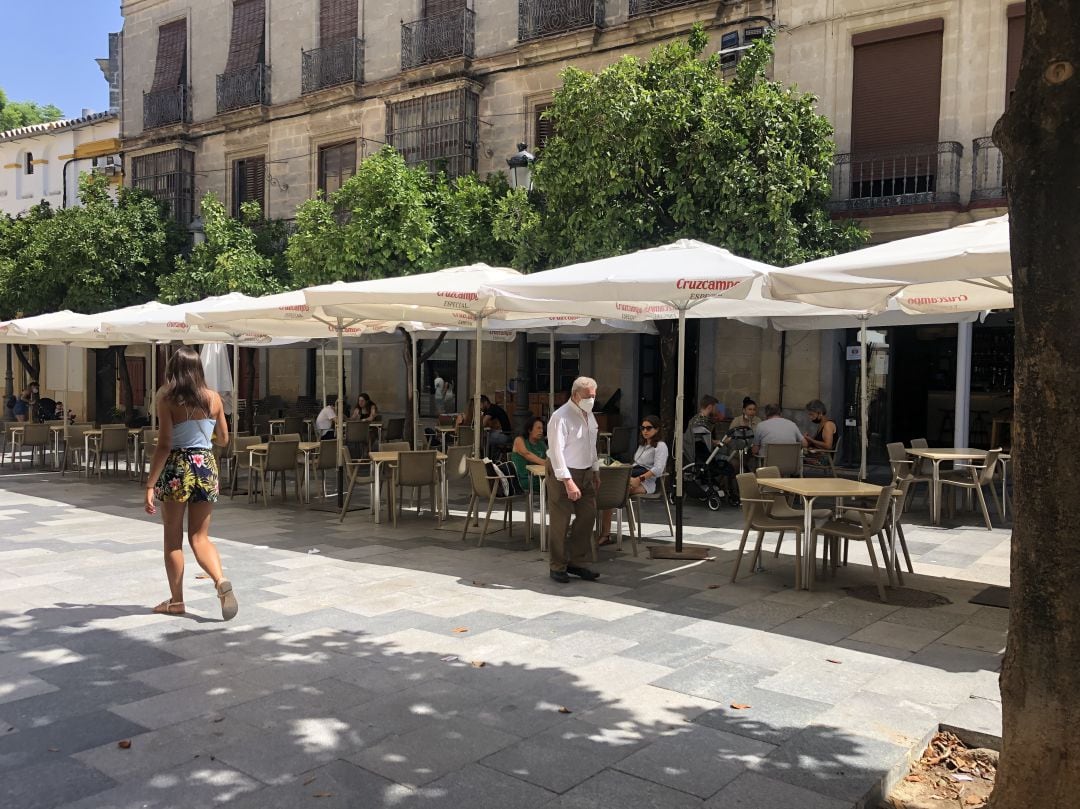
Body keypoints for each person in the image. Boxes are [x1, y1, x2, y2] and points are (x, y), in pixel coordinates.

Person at [144, 346, 238, 621]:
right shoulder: (214, 399)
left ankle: (177, 601)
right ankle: (220, 580)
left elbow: (164, 445)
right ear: (198, 369)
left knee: (173, 538)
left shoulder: (167, 399)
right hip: (206, 466)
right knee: (200, 536)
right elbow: (224, 439)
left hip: (177, 467)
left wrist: (150, 484)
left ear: (174, 369)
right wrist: (203, 439)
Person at [546, 376, 601, 584]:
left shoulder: (590, 415)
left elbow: (592, 444)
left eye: (594, 396)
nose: (592, 400)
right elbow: (556, 451)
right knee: (561, 521)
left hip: (586, 471)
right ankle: (557, 565)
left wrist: (595, 470)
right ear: (575, 395)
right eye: (588, 396)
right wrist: (567, 480)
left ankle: (576, 561)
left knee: (588, 516)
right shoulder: (561, 416)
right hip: (565, 472)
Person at [599, 415, 669, 546]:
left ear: (657, 429)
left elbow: (659, 469)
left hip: (646, 482)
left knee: (612, 493)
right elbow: (636, 463)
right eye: (643, 428)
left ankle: (605, 534)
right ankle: (603, 532)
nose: (645, 431)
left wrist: (639, 479)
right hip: (633, 476)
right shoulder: (642, 445)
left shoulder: (661, 446)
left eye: (649, 428)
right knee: (607, 490)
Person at [511, 416, 548, 493]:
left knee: (556, 482)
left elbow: (548, 457)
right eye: (538, 428)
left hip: (539, 477)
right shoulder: (519, 440)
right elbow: (527, 455)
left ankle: (547, 504)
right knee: (553, 484)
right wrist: (548, 464)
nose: (541, 431)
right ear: (529, 430)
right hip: (523, 479)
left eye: (542, 428)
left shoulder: (541, 444)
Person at [803, 399, 838, 467]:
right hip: (818, 455)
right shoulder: (821, 425)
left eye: (812, 415)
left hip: (824, 459)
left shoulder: (828, 425)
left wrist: (810, 440)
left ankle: (795, 476)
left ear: (820, 413)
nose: (810, 418)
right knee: (796, 452)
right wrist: (808, 439)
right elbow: (817, 442)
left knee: (796, 456)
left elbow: (828, 446)